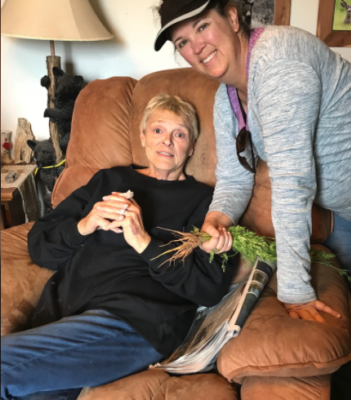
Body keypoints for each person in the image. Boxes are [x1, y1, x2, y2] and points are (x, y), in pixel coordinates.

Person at [154, 1, 351, 400]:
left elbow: (292, 183)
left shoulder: (278, 59)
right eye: (182, 42)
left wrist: (296, 291)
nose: (195, 47)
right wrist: (217, 217)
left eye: (201, 27)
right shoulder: (227, 99)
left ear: (233, 18)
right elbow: (234, 178)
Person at [1, 94, 236, 400]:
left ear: (191, 146)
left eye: (179, 134)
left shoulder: (206, 203)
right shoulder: (109, 180)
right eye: (158, 130)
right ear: (142, 136)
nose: (166, 141)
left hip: (136, 322)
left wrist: (144, 242)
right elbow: (39, 246)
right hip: (65, 316)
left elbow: (208, 288)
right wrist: (85, 224)